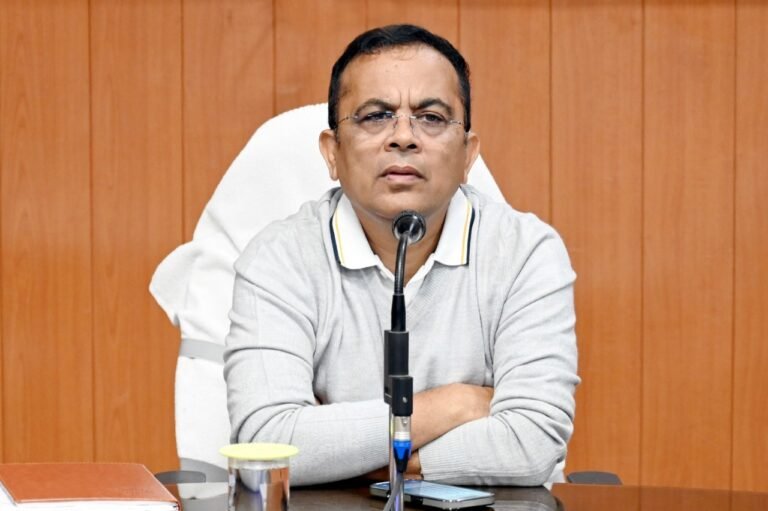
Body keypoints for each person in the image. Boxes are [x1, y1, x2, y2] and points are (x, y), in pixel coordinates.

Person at [224, 24, 579, 487]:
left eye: (431, 117)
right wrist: (455, 404)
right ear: (331, 152)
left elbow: (531, 445)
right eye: (376, 116)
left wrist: (353, 460)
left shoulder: (527, 253)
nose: (404, 137)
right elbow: (265, 443)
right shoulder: (278, 260)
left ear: (468, 153)